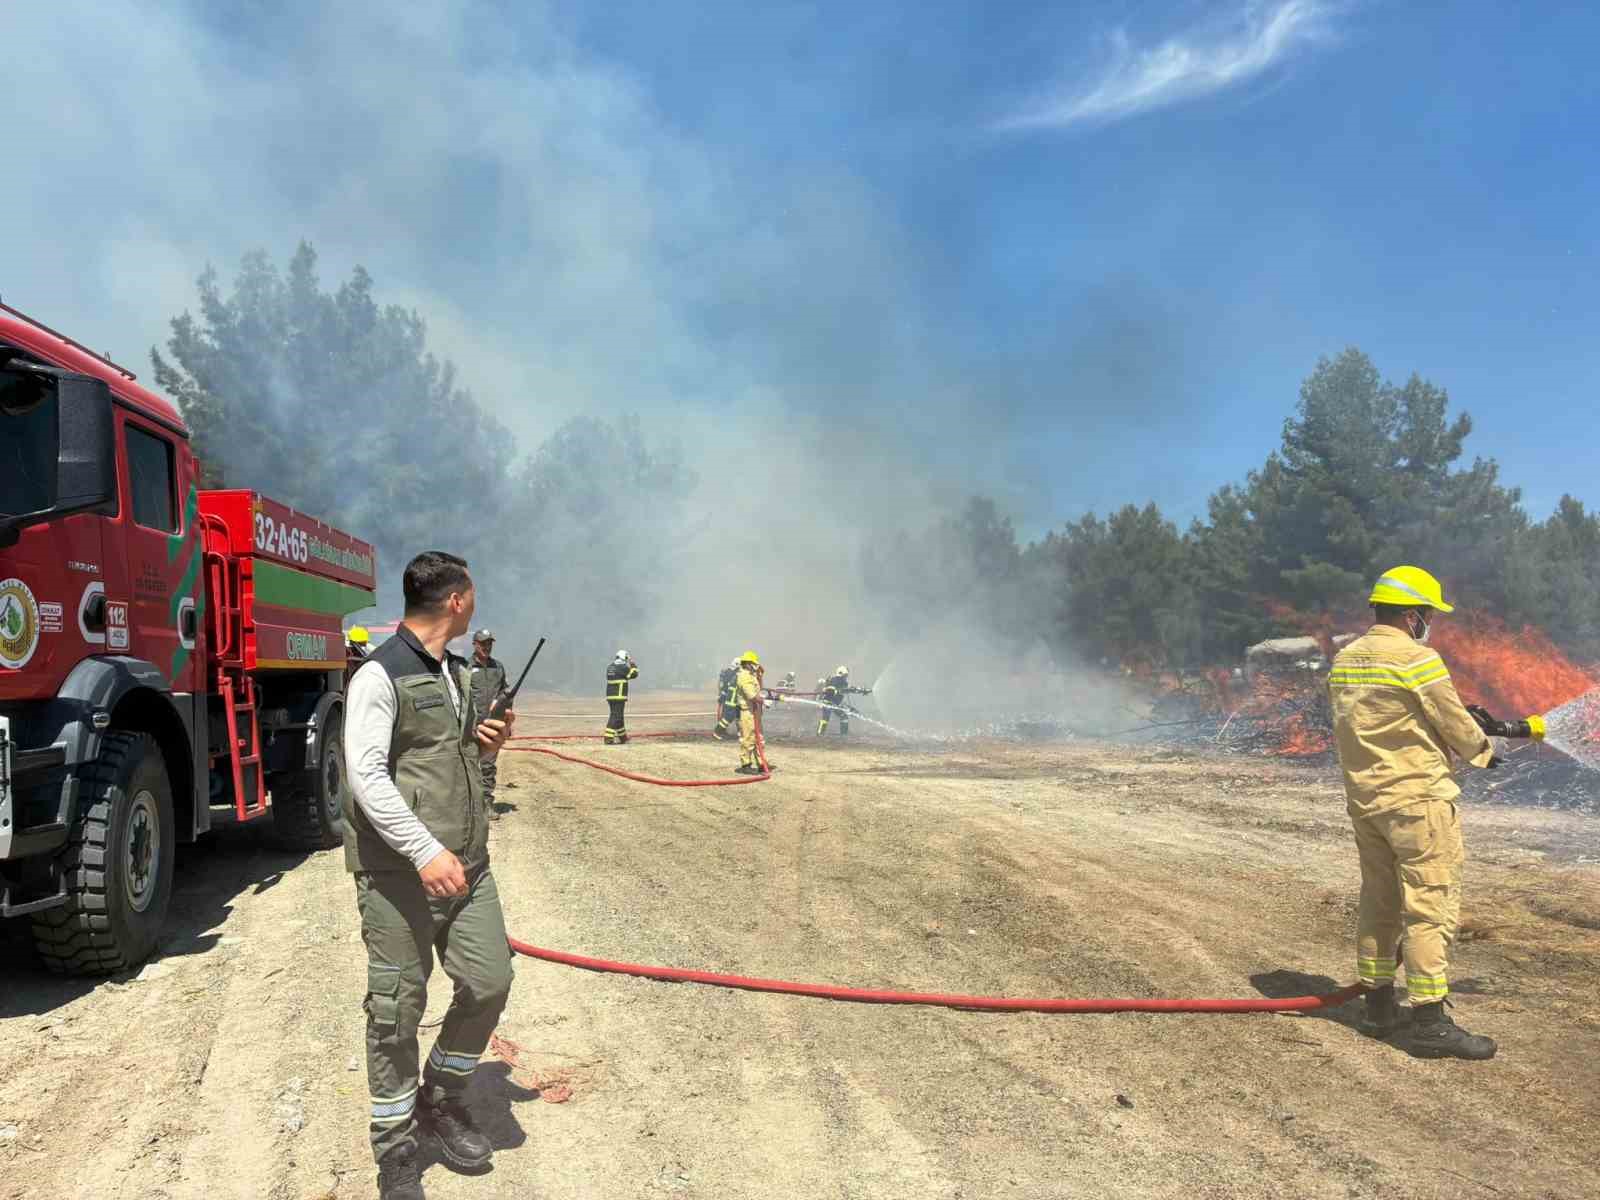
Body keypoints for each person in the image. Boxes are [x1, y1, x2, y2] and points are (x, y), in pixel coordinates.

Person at [342, 551, 516, 1200]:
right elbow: (366, 776)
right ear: (457, 602)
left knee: (490, 978)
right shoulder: (378, 676)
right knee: (396, 1010)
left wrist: (485, 745)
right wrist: (422, 850)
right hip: (399, 874)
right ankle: (395, 1152)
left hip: (468, 867)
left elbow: (444, 756)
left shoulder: (455, 672)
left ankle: (438, 1099)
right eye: (473, 593)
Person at [1329, 565, 1544, 1061]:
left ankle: (1379, 1007)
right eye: (1428, 613)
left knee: (1379, 902)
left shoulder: (1346, 660)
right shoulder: (1417, 658)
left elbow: (1381, 719)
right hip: (1418, 801)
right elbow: (1457, 728)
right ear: (1412, 616)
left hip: (1366, 800)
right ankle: (1429, 1020)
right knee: (1430, 905)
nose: (1429, 622)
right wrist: (1489, 751)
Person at [467, 630, 507, 819]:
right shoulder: (464, 667)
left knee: (488, 766)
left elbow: (504, 692)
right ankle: (468, 806)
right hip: (469, 726)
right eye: (483, 643)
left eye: (490, 643)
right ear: (474, 644)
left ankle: (486, 804)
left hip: (491, 725)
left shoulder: (497, 667)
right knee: (467, 765)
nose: (487, 647)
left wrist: (500, 703)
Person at [734, 650, 770, 774]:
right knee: (748, 738)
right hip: (748, 712)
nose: (756, 666)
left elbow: (759, 689)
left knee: (759, 738)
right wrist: (764, 701)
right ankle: (746, 765)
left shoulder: (751, 675)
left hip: (755, 712)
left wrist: (760, 676)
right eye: (754, 664)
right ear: (748, 663)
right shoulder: (743, 676)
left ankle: (761, 763)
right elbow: (752, 696)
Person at [816, 665, 869, 736]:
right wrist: (832, 690)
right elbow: (829, 689)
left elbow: (848, 689)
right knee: (826, 717)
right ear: (840, 673)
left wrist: (862, 690)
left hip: (836, 703)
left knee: (844, 716)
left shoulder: (843, 682)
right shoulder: (834, 680)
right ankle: (819, 734)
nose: (846, 677)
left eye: (846, 675)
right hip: (827, 702)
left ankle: (843, 735)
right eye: (845, 675)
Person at [604, 650, 638, 745]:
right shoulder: (623, 667)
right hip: (619, 696)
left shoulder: (610, 667)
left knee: (619, 717)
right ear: (624, 658)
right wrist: (633, 665)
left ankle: (623, 737)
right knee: (615, 716)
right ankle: (608, 738)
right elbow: (634, 674)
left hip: (610, 696)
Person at [713, 659, 739, 740]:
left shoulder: (727, 672)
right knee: (728, 716)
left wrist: (721, 695)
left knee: (737, 715)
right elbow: (727, 687)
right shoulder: (734, 674)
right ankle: (718, 731)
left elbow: (721, 686)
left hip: (729, 698)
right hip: (731, 699)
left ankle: (740, 732)